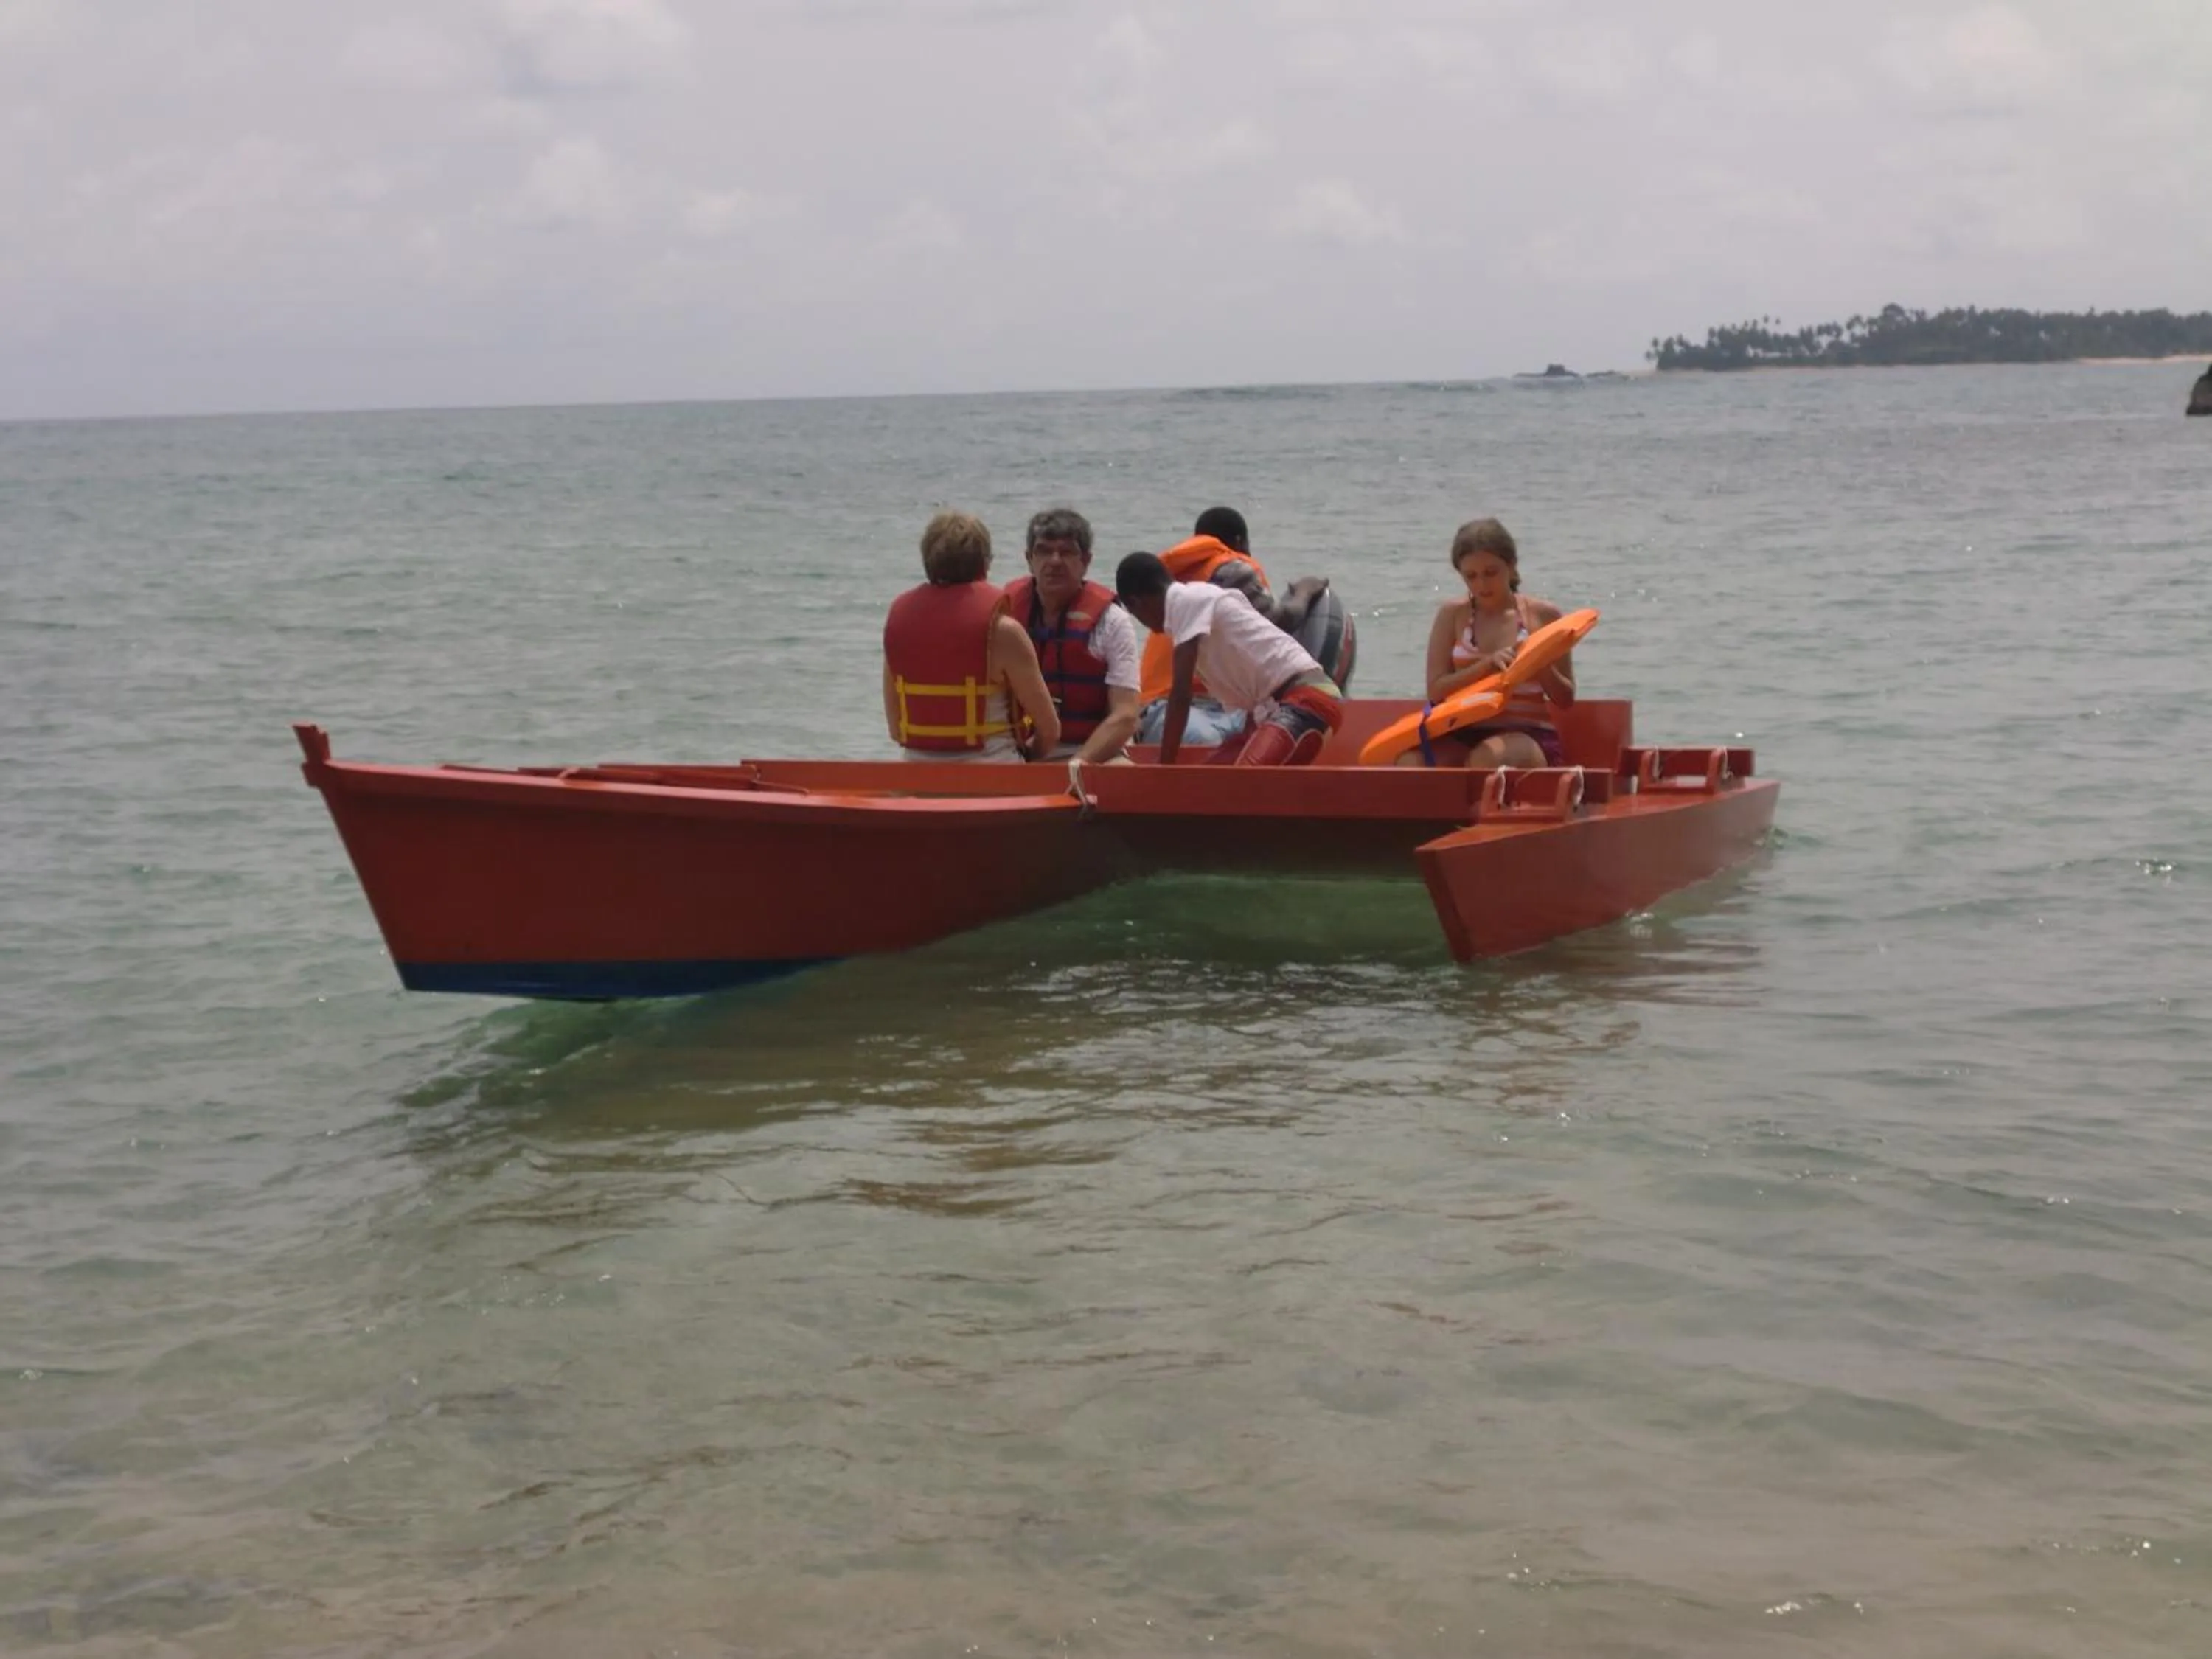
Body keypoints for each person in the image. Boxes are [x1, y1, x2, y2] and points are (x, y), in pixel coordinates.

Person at [1116, 552, 1343, 766]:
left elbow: (1180, 694)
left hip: (1308, 699)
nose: (1149, 628)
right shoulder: (1198, 603)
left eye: (1136, 616)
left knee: (1237, 783)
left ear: (1137, 603)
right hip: (1274, 707)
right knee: (1209, 780)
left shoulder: (1186, 601)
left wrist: (1164, 766)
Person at [1135, 506, 1332, 745]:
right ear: (1240, 541)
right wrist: (1305, 591)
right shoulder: (1232, 567)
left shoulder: (1168, 578)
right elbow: (1279, 622)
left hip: (1155, 708)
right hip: (1197, 709)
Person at [882, 509, 1060, 762]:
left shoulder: (899, 626)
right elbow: (1050, 730)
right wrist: (1030, 757)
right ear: (985, 564)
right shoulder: (1004, 631)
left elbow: (895, 727)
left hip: (918, 779)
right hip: (992, 778)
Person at [1399, 517, 1574, 769]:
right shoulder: (1452, 615)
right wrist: (1486, 666)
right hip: (1463, 730)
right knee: (1410, 762)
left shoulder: (1542, 615)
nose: (1481, 585)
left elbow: (1566, 699)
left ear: (1512, 567)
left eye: (1491, 573)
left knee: (1486, 758)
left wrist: (1537, 663)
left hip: (1528, 735)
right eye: (1471, 576)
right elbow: (1436, 690)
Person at [1000, 507, 1141, 763]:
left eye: (1066, 552)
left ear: (1085, 561)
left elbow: (1126, 715)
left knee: (1124, 773)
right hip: (1018, 752)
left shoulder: (1112, 622)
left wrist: (1079, 764)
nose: (1054, 561)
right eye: (1044, 551)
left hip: (1093, 751)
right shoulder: (1004, 616)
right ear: (1029, 559)